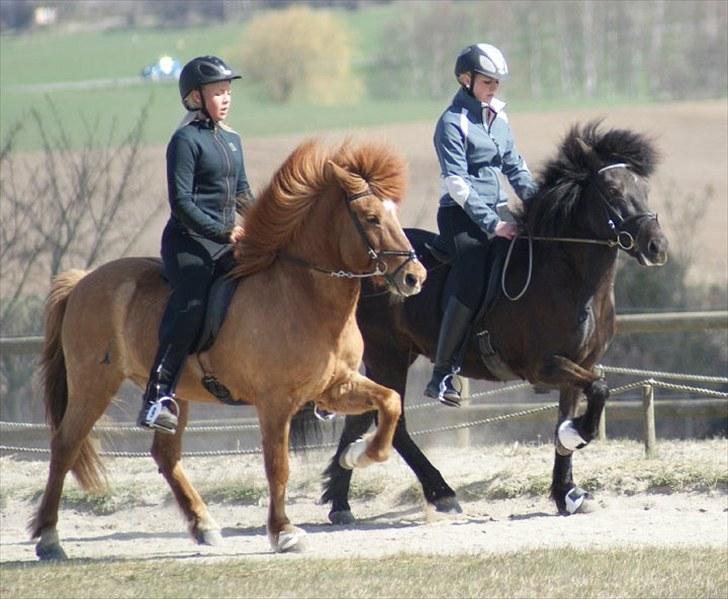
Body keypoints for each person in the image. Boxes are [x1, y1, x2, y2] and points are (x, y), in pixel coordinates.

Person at [137, 55, 254, 433]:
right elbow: (183, 204)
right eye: (218, 92)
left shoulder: (233, 140)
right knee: (193, 301)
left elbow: (243, 194)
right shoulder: (184, 141)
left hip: (226, 243)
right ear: (193, 97)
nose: (226, 98)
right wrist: (224, 233)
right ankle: (157, 394)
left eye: (228, 92)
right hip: (188, 244)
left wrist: (271, 224)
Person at [425, 43, 537, 407]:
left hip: (497, 209)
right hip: (461, 216)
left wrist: (539, 205)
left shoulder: (497, 118)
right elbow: (457, 185)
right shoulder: (450, 122)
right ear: (465, 79)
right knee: (472, 277)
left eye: (496, 83)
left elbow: (516, 167)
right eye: (487, 81)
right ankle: (443, 374)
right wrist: (493, 225)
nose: (493, 88)